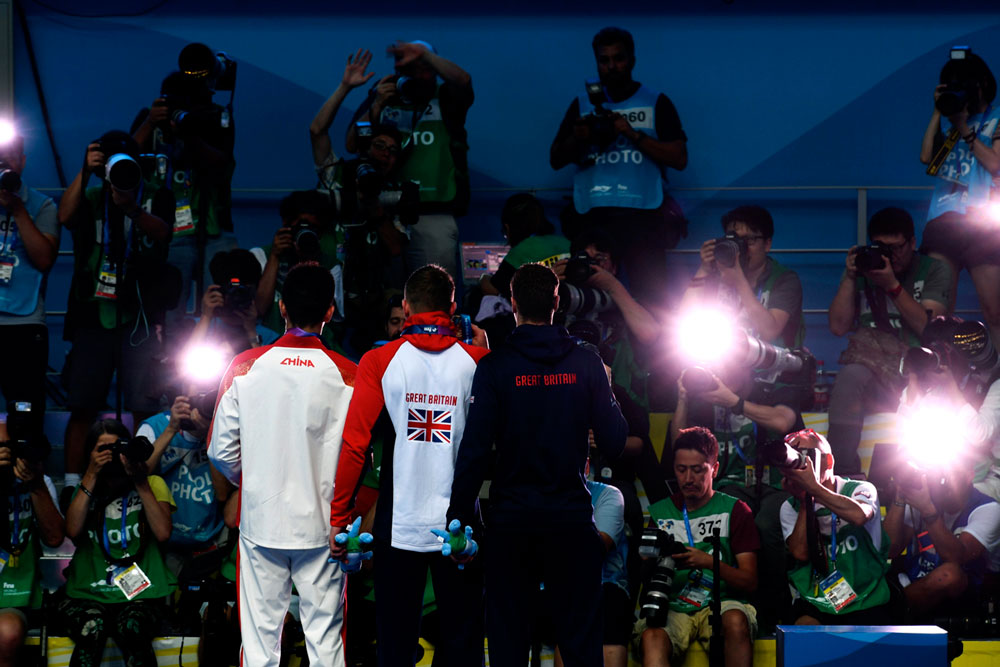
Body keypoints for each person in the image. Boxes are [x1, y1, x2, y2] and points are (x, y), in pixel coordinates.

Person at [447, 262, 628, 667]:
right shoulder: (586, 364)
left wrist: (457, 516)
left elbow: (474, 452)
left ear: (513, 303)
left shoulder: (495, 367)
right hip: (571, 523)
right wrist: (604, 388)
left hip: (512, 526)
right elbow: (615, 442)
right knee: (581, 647)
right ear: (557, 302)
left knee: (509, 648)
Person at [330, 264, 488, 667]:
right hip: (461, 524)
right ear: (453, 307)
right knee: (462, 644)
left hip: (397, 523)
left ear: (405, 305)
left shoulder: (379, 360)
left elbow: (354, 445)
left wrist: (339, 517)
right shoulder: (480, 361)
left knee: (395, 647)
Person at [208, 263, 356, 667]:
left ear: (281, 306)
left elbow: (219, 450)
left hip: (262, 523)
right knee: (326, 648)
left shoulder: (244, 367)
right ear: (330, 311)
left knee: (258, 650)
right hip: (325, 526)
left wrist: (255, 480)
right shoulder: (351, 376)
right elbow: (359, 457)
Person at [57, 130, 173, 495]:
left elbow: (164, 235)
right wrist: (85, 171)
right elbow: (63, 217)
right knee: (83, 405)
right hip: (94, 315)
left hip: (138, 315)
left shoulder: (156, 196)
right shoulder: (91, 197)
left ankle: (145, 481)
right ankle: (75, 485)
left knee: (143, 405)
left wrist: (131, 207)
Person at [550, 26, 687, 306]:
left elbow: (679, 157)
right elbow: (556, 159)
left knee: (652, 301)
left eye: (619, 58)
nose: (612, 66)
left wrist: (630, 132)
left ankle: (651, 351)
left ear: (632, 60)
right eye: (604, 60)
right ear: (597, 62)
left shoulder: (655, 101)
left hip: (643, 219)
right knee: (586, 299)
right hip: (592, 218)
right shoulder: (582, 104)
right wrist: (580, 137)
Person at [826, 207, 951, 475]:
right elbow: (837, 327)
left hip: (919, 372)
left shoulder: (933, 270)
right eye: (882, 247)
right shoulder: (864, 268)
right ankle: (842, 474)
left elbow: (930, 330)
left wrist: (892, 285)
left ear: (913, 243)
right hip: (874, 376)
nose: (890, 255)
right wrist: (850, 277)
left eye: (897, 247)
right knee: (850, 376)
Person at [346, 41, 473, 285]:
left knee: (434, 293)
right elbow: (353, 143)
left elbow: (464, 80)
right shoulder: (385, 91)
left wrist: (424, 54)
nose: (417, 75)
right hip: (383, 211)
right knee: (384, 294)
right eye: (410, 67)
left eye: (423, 67)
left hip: (433, 212)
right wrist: (377, 103)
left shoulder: (446, 96)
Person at [637, 426, 758, 667]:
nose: (688, 479)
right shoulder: (660, 512)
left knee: (735, 621)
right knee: (652, 636)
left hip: (722, 601)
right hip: (672, 605)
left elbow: (750, 581)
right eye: (681, 470)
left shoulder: (735, 510)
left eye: (697, 470)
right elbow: (642, 573)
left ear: (714, 469)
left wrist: (707, 562)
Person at [60, 419, 176, 667]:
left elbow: (163, 532)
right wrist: (91, 475)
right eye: (102, 449)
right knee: (93, 627)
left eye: (116, 448)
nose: (110, 455)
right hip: (88, 592)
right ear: (90, 453)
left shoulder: (153, 484)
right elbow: (71, 530)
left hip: (142, 594)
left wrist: (140, 481)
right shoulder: (83, 489)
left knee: (132, 627)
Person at [132, 59, 238, 324]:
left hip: (212, 227)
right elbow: (124, 160)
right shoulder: (150, 118)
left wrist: (189, 133)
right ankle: (167, 360)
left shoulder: (210, 118)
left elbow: (222, 163)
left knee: (220, 303)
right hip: (167, 230)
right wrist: (150, 123)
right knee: (169, 307)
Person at [919, 48, 1000, 344]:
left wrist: (965, 127)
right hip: (943, 220)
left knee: (994, 312)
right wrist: (939, 111)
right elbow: (927, 157)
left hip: (983, 224)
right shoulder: (949, 121)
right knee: (938, 315)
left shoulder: (997, 118)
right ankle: (939, 376)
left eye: (963, 84)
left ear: (980, 85)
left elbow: (995, 164)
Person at [779, 429, 892, 625]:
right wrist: (806, 501)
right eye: (797, 457)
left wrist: (814, 488)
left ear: (829, 461)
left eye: (808, 455)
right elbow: (800, 553)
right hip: (817, 599)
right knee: (803, 631)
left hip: (867, 597)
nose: (804, 463)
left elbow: (859, 515)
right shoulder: (790, 506)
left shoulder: (860, 489)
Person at [0, 128, 59, 437]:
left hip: (24, 325)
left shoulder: (42, 206)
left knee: (24, 407)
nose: (3, 160)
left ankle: (25, 471)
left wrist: (18, 209)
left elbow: (45, 259)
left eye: (10, 154)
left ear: (22, 161)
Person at [681, 205, 803, 350]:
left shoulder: (784, 279)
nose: (741, 248)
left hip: (772, 369)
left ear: (767, 244)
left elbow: (769, 332)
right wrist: (704, 269)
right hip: (722, 364)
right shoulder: (715, 275)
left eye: (749, 240)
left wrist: (739, 282)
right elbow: (684, 321)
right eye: (736, 241)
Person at [0, 420, 64, 667]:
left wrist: (35, 485)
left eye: (9, 446)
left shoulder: (39, 481)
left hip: (12, 593)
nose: (5, 453)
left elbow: (55, 539)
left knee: (7, 633)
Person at [251, 191, 346, 352]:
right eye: (299, 227)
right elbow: (259, 309)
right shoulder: (261, 256)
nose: (305, 233)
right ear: (286, 225)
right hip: (271, 342)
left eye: (312, 228)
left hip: (317, 346)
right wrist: (275, 256)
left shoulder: (330, 265)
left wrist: (309, 261)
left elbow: (332, 321)